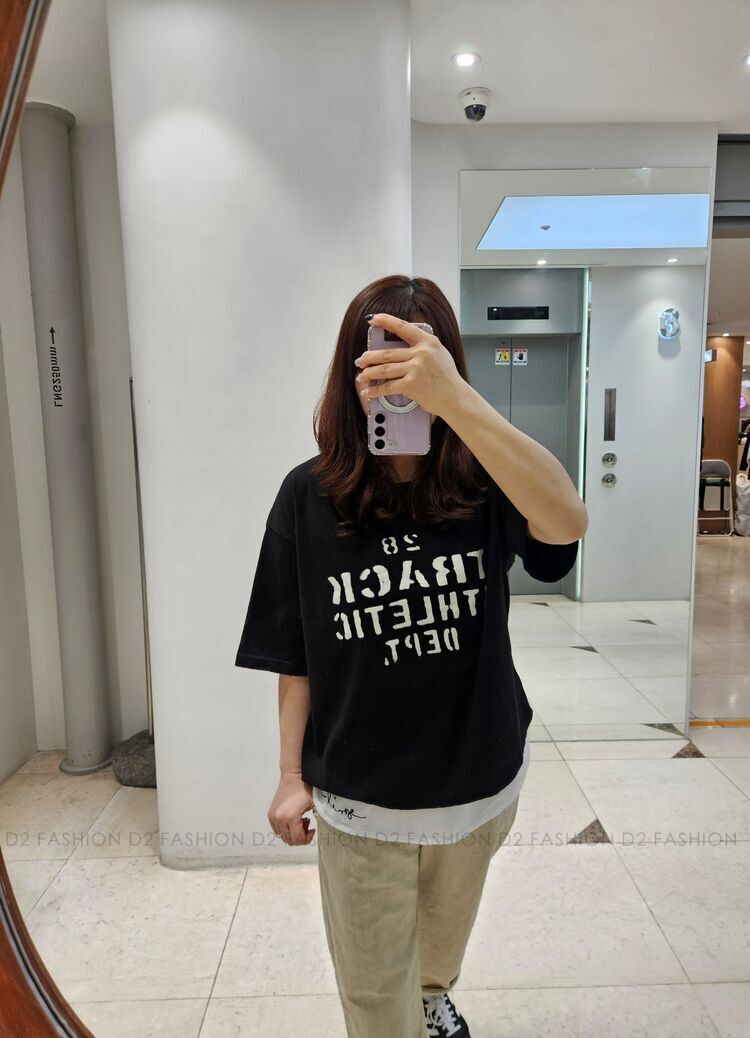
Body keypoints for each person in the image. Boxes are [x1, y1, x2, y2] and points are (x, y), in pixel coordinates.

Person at [235, 274, 587, 1037]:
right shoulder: (307, 496)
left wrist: (456, 401)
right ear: (351, 369)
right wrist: (291, 777)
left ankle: (431, 998)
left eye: (420, 362)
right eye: (381, 360)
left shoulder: (488, 480)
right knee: (373, 992)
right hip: (364, 800)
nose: (400, 383)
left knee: (438, 950)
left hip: (480, 780)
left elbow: (566, 524)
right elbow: (294, 651)